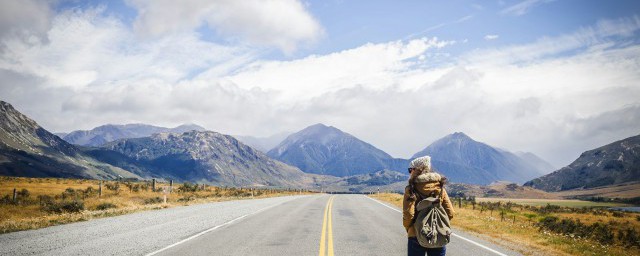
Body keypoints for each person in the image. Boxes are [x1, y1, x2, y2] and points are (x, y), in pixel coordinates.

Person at [403, 156, 455, 256]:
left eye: (410, 170)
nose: (409, 173)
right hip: (438, 234)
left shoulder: (411, 189)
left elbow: (408, 215)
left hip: (415, 235)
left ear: (415, 170)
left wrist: (409, 228)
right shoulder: (440, 188)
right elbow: (451, 213)